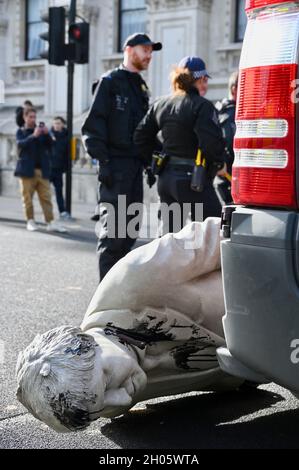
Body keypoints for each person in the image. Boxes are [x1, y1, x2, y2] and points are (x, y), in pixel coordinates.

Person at [16, 218, 246, 433]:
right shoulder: (99, 397)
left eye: (106, 383)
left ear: (90, 340)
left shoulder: (140, 275)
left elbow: (233, 232)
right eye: (100, 410)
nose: (122, 400)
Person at [81, 33, 162, 281]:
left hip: (134, 169)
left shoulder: (140, 87)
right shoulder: (109, 82)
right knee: (113, 235)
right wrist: (103, 162)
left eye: (151, 51)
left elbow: (142, 131)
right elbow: (92, 127)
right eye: (144, 49)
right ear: (129, 50)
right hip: (114, 168)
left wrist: (151, 160)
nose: (149, 55)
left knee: (129, 234)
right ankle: (102, 304)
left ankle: (117, 295)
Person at [134, 56, 226, 234]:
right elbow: (211, 145)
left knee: (169, 237)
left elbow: (140, 137)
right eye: (204, 80)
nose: (206, 85)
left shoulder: (161, 104)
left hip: (167, 179)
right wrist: (218, 164)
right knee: (213, 231)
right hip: (194, 181)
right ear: (197, 80)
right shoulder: (202, 106)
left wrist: (159, 157)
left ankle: (167, 263)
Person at [14, 108, 67, 233]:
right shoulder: (21, 131)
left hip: (42, 170)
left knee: (46, 198)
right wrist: (33, 135)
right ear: (25, 117)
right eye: (30, 117)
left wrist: (47, 133)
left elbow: (52, 145)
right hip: (27, 171)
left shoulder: (42, 132)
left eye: (34, 117)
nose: (33, 119)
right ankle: (30, 221)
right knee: (27, 198)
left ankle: (50, 222)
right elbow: (20, 145)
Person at [215, 71, 239, 204]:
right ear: (234, 89)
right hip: (229, 179)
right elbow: (229, 144)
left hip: (224, 178)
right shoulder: (231, 114)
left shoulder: (218, 110)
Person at [49, 116, 70, 220]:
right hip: (48, 169)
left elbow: (67, 154)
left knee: (59, 192)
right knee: (44, 191)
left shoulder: (66, 137)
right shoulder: (49, 135)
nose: (56, 125)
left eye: (58, 123)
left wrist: (65, 168)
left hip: (58, 169)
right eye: (55, 123)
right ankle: (47, 212)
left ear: (62, 124)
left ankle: (62, 211)